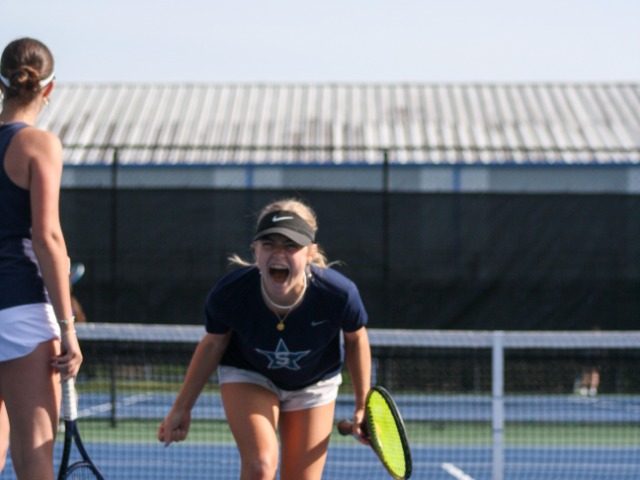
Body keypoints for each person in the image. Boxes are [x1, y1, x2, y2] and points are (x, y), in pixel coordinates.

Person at [158, 198, 372, 480]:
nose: (278, 253)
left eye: (291, 245)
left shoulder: (339, 294)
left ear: (310, 253)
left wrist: (362, 406)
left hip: (314, 383)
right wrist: (181, 408)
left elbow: (356, 339)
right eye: (269, 244)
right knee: (260, 465)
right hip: (250, 374)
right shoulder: (230, 294)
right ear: (255, 250)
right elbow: (213, 343)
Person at [0, 38, 82, 479]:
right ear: (49, 89)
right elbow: (48, 237)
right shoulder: (39, 144)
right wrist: (69, 329)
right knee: (34, 463)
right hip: (21, 313)